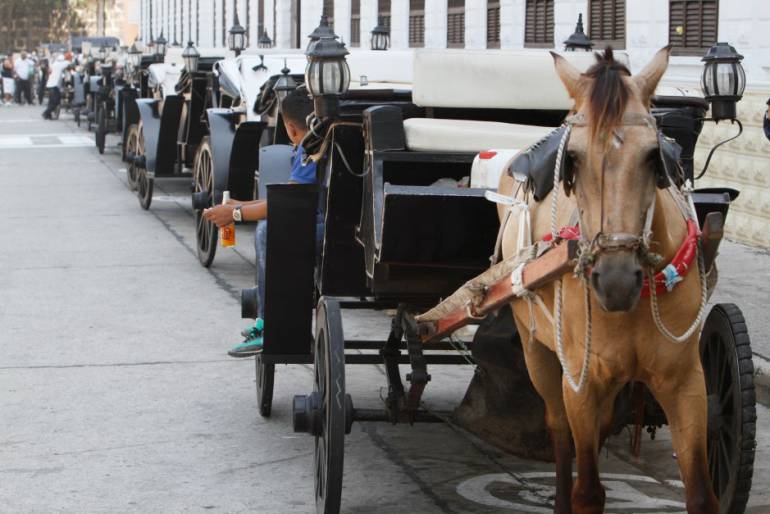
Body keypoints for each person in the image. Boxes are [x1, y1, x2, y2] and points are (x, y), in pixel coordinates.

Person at [203, 90, 323, 357]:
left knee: (268, 231)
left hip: (322, 231)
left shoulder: (311, 148)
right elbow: (290, 198)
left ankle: (270, 322)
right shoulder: (333, 136)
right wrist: (239, 206)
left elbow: (289, 206)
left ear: (290, 128)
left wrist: (235, 215)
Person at [42, 54, 70, 119]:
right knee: (56, 100)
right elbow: (68, 63)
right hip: (54, 85)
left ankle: (48, 115)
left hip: (50, 84)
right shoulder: (61, 65)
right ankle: (46, 112)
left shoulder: (54, 64)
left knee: (51, 100)